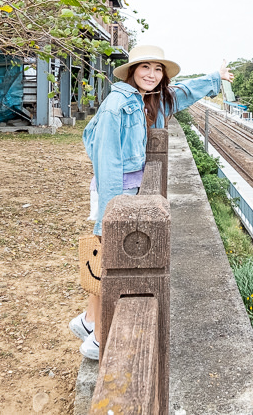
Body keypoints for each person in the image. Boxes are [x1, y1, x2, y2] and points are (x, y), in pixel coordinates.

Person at [68, 44, 234, 359]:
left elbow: (183, 92)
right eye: (145, 67)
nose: (152, 74)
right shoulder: (119, 104)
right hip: (116, 190)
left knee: (105, 255)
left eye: (158, 69)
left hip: (127, 188)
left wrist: (215, 78)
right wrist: (111, 212)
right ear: (132, 70)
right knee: (114, 259)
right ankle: (99, 339)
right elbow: (108, 159)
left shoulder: (151, 99)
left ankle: (88, 320)